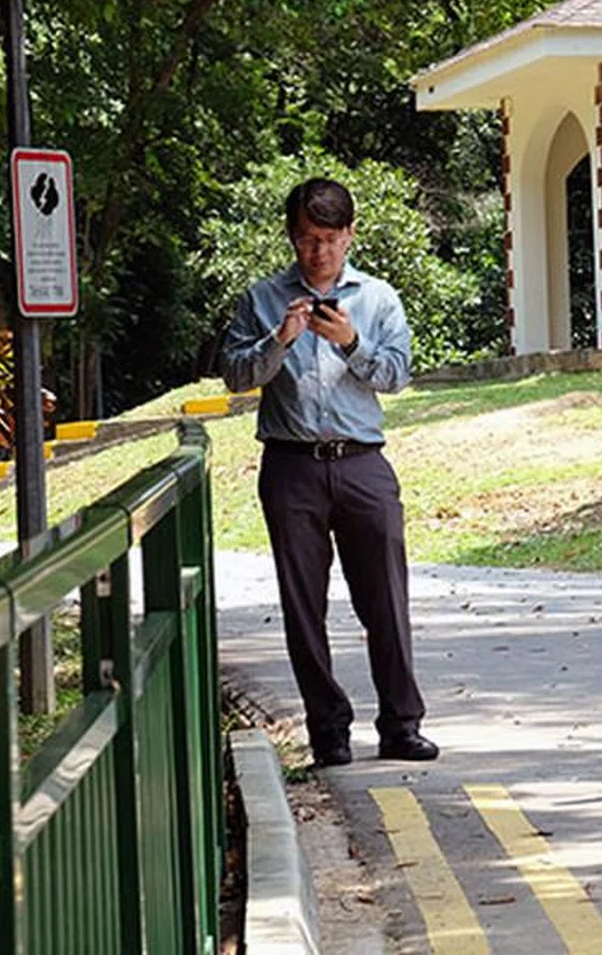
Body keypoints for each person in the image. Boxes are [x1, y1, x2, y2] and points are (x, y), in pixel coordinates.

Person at [220, 177, 436, 767]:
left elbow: (397, 375)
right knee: (303, 607)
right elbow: (235, 376)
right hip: (290, 467)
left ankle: (401, 725)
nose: (320, 252)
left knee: (386, 599)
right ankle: (328, 732)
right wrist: (280, 340)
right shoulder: (262, 299)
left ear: (350, 235)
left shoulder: (378, 298)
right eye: (308, 239)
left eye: (331, 239)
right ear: (292, 236)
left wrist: (351, 342)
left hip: (363, 463)